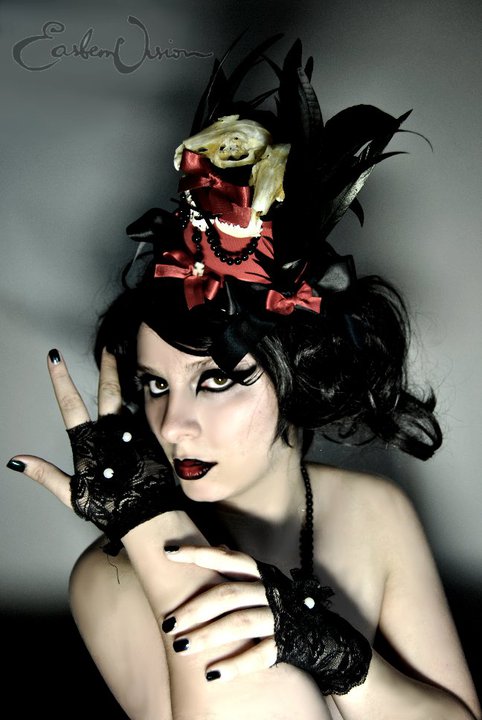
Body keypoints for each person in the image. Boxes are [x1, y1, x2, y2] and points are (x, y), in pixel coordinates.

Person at [7, 36, 480, 720]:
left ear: (297, 375)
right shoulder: (114, 579)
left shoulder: (376, 513)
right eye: (155, 385)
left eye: (215, 381)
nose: (172, 426)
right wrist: (150, 527)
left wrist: (345, 661)